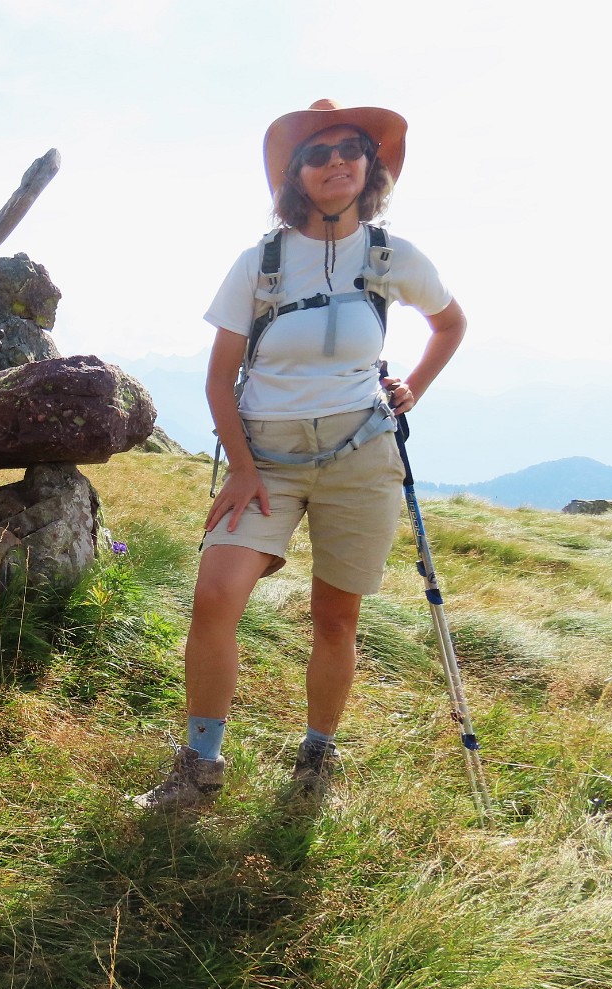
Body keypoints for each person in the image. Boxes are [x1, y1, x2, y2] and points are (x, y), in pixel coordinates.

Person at [134, 100, 467, 808]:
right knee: (215, 595)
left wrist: (416, 385)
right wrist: (245, 468)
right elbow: (219, 376)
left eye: (351, 148)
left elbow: (449, 322)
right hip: (268, 457)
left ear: (370, 166)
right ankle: (198, 769)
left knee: (335, 618)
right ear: (295, 175)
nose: (337, 161)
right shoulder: (261, 261)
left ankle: (315, 763)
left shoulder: (391, 255)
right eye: (317, 154)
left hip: (360, 454)